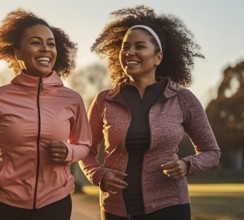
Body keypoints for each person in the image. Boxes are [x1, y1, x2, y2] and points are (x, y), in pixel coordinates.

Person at [79, 5, 221, 220]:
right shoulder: (104, 100)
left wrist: (187, 164)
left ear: (158, 57)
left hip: (170, 207)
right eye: (125, 47)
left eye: (139, 46)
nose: (130, 52)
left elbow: (212, 152)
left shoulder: (182, 99)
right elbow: (85, 151)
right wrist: (99, 174)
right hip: (115, 209)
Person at [0, 9, 92, 220]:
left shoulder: (72, 99)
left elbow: (84, 145)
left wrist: (68, 151)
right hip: (6, 205)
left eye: (51, 43)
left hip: (55, 204)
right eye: (36, 42)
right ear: (18, 53)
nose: (45, 49)